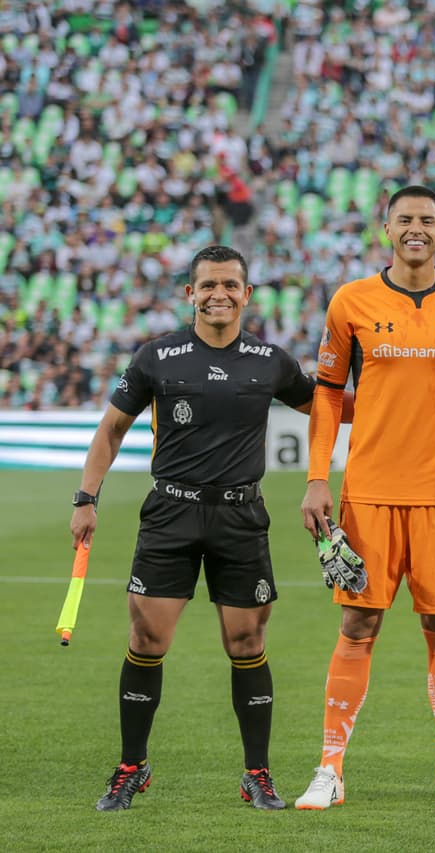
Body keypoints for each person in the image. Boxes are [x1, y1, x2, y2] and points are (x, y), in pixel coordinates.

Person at [71, 245, 319, 812]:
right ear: (190, 292)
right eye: (208, 285)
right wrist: (87, 498)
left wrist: (398, 388)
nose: (219, 294)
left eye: (231, 284)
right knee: (146, 640)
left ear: (247, 294)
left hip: (240, 516)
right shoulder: (158, 357)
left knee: (248, 641)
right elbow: (110, 430)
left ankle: (257, 773)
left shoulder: (270, 360)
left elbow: (327, 407)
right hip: (171, 514)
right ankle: (131, 766)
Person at [296, 185, 435, 811]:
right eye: (404, 220)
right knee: (357, 624)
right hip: (367, 492)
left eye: (427, 221)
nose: (415, 229)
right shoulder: (351, 302)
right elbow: (326, 396)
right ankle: (330, 768)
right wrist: (318, 478)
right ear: (385, 229)